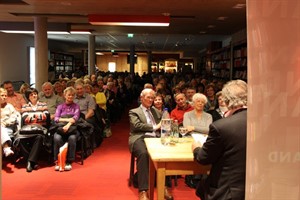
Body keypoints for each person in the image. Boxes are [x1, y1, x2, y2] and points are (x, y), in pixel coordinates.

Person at [192, 79, 247, 200]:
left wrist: (196, 147)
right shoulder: (264, 122)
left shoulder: (221, 126)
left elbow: (203, 158)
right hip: (258, 187)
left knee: (202, 186)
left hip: (227, 191)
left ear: (227, 101)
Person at [129, 88, 173, 200]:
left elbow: (165, 121)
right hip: (139, 137)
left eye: (152, 98)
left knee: (165, 151)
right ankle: (143, 190)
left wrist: (166, 123)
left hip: (155, 137)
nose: (150, 100)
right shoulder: (134, 111)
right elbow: (136, 126)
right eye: (148, 97)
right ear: (141, 98)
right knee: (144, 153)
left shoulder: (155, 111)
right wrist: (155, 127)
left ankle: (165, 186)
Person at [18, 88, 49, 172]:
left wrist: (31, 117)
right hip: (27, 130)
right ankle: (33, 162)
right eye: (31, 94)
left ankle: (29, 162)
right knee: (21, 139)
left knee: (39, 137)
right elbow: (25, 119)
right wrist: (39, 116)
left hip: (40, 129)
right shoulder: (25, 106)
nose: (34, 95)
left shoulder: (43, 105)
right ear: (28, 97)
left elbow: (45, 117)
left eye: (35, 93)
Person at [53, 87, 81, 171]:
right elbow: (56, 118)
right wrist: (67, 120)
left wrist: (68, 124)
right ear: (65, 95)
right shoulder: (60, 106)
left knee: (72, 138)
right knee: (57, 138)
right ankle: (59, 159)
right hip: (60, 128)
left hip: (72, 128)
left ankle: (69, 161)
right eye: (69, 95)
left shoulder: (76, 106)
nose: (70, 97)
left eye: (72, 95)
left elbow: (75, 117)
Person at [0, 88, 20, 157]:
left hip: (8, 128)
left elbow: (14, 118)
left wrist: (4, 123)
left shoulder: (9, 106)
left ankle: (5, 148)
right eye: (2, 95)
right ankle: (6, 148)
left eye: (5, 95)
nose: (4, 97)